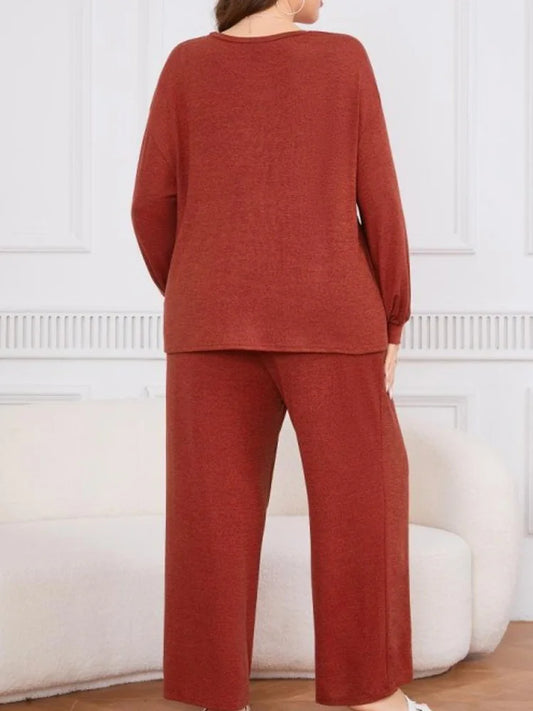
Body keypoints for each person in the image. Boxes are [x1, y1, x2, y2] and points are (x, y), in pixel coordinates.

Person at [131, 2, 432, 711]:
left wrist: (202, 284)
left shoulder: (185, 66)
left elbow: (150, 204)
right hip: (332, 316)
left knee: (209, 519)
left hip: (209, 319)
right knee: (361, 505)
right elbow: (378, 195)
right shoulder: (341, 59)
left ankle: (210, 697)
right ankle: (369, 699)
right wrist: (393, 313)